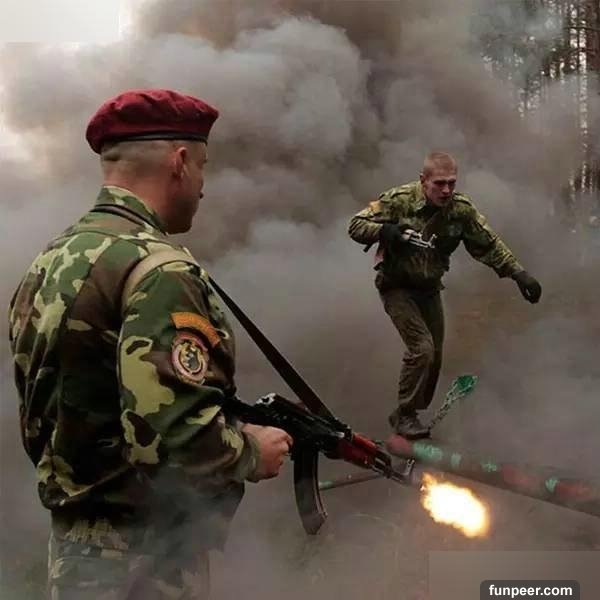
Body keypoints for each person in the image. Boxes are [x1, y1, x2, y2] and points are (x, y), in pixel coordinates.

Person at [8, 88, 292, 599]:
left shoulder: (52, 260)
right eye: (203, 167)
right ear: (179, 162)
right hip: (145, 558)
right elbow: (171, 437)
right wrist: (252, 450)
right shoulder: (160, 271)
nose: (203, 187)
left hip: (74, 549)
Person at [348, 152, 541, 440]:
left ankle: (413, 412)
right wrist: (386, 231)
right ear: (423, 180)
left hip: (429, 289)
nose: (446, 190)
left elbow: (488, 244)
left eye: (452, 183)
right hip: (397, 287)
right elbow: (356, 225)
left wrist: (518, 273)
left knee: (435, 356)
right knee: (422, 349)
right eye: (439, 183)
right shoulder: (399, 200)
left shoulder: (460, 210)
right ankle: (405, 414)